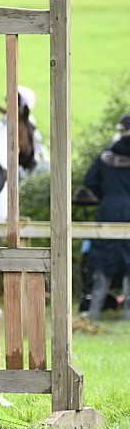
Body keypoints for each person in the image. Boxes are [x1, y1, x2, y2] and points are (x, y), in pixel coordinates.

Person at [82, 114, 130, 320]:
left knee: (103, 260)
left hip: (109, 210)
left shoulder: (107, 155)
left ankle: (94, 311)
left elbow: (90, 180)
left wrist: (106, 195)